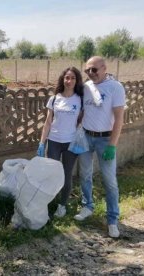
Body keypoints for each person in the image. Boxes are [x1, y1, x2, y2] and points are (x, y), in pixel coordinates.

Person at [74, 56, 126, 238]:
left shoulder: (115, 87)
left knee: (109, 180)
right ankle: (87, 206)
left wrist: (113, 144)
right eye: (87, 70)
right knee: (85, 174)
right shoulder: (86, 87)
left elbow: (119, 118)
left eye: (94, 70)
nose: (90, 73)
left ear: (104, 68)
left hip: (105, 140)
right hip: (87, 137)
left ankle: (112, 219)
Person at [38, 67, 84, 218]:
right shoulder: (55, 99)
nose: (69, 81)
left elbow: (82, 122)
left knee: (66, 174)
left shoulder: (80, 99)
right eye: (67, 78)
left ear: (76, 81)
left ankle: (62, 206)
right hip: (54, 141)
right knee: (52, 174)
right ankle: (48, 203)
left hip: (71, 143)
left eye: (72, 78)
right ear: (63, 79)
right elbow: (47, 122)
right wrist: (41, 143)